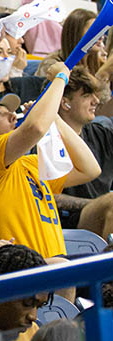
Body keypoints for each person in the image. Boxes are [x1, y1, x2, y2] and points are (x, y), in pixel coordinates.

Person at [0, 63, 101, 263]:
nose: (13, 115)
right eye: (0, 115)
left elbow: (90, 169)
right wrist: (60, 78)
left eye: (12, 110)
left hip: (50, 270)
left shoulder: (29, 164)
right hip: (19, 274)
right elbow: (36, 128)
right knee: (62, 266)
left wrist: (54, 119)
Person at [53, 67, 113, 238]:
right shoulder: (44, 140)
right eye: (86, 96)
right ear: (65, 103)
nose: (96, 101)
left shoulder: (102, 133)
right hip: (69, 223)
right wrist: (98, 204)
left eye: (95, 95)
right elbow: (50, 196)